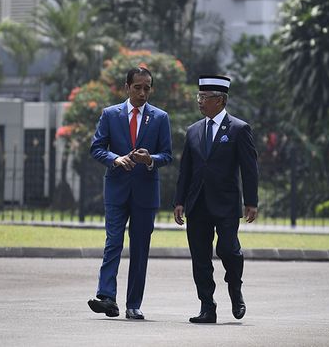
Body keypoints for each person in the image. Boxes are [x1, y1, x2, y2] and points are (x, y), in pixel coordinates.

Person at [87, 67, 173, 320]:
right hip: (116, 190)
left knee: (140, 248)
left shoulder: (160, 117)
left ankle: (133, 304)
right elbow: (97, 148)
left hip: (145, 194)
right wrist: (115, 159)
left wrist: (150, 159)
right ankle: (106, 297)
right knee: (112, 243)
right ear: (127, 87)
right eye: (137, 87)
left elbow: (167, 155)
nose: (142, 93)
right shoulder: (110, 114)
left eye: (147, 88)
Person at [173, 75, 259, 324]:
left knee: (228, 249)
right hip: (197, 203)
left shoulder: (239, 129)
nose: (199, 101)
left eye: (204, 97)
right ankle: (207, 307)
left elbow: (249, 168)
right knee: (200, 257)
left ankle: (235, 287)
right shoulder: (193, 130)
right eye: (198, 96)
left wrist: (251, 201)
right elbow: (185, 170)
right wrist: (179, 201)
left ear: (220, 100)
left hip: (226, 203)